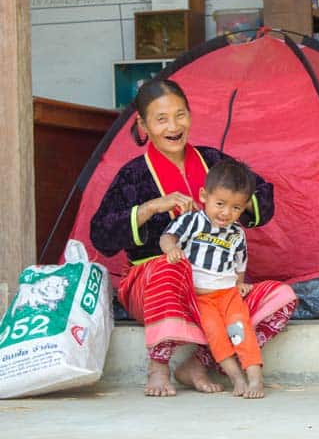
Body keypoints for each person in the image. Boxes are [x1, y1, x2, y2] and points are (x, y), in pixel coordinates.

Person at [90, 79, 297, 397]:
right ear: (143, 125)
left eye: (180, 114)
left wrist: (230, 206)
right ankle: (159, 368)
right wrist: (150, 207)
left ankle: (200, 363)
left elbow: (261, 194)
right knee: (170, 266)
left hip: (211, 289)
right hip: (154, 285)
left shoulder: (212, 161)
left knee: (280, 297)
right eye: (161, 119)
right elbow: (101, 234)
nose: (173, 126)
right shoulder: (133, 175)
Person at [160, 158, 265, 398]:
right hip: (201, 298)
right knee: (217, 336)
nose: (227, 213)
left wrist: (239, 283)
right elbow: (167, 237)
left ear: (244, 207)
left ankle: (255, 378)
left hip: (228, 295)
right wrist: (172, 249)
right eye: (220, 203)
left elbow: (240, 262)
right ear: (203, 196)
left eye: (236, 208)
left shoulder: (237, 232)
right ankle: (236, 378)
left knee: (241, 330)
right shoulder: (192, 221)